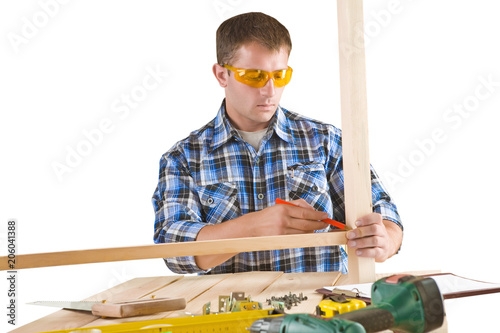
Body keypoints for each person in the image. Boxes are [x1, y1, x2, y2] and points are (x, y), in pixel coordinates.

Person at [152, 12, 403, 275]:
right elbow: (174, 250)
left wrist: (385, 238)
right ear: (222, 75)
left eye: (280, 76)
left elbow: (384, 212)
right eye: (254, 76)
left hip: (322, 310)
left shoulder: (325, 141)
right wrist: (254, 227)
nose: (270, 91)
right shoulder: (183, 158)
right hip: (235, 314)